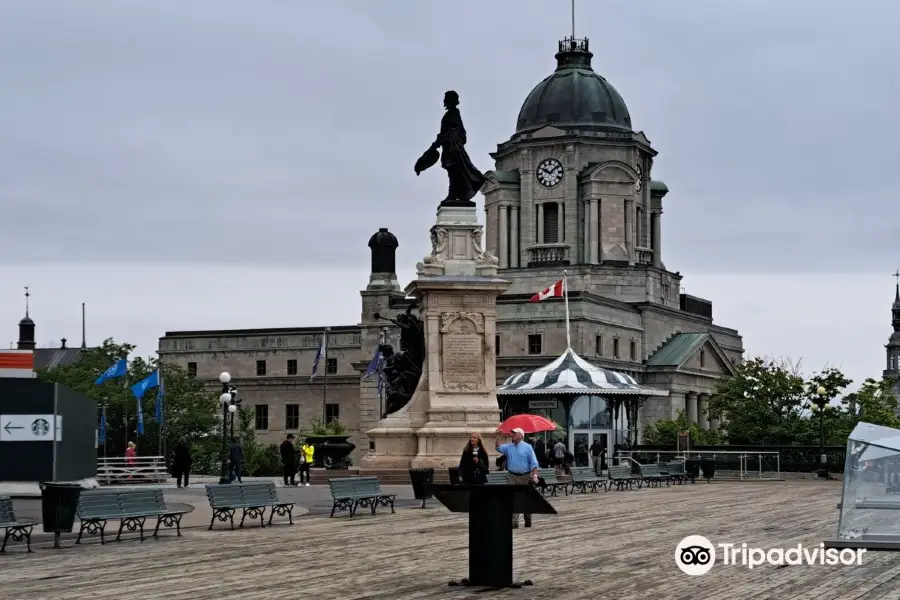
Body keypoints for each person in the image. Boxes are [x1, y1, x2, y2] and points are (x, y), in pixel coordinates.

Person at [495, 427, 539, 528]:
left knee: (525, 499)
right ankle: (513, 522)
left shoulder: (528, 447)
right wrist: (498, 436)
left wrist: (535, 475)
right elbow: (497, 447)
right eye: (512, 433)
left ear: (520, 435)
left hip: (525, 477)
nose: (512, 435)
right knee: (513, 498)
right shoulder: (509, 447)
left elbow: (534, 463)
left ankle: (528, 519)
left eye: (514, 433)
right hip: (512, 476)